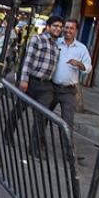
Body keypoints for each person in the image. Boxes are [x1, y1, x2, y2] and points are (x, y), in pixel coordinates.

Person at [6, 15, 63, 155]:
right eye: (55, 26)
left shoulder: (56, 47)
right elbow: (28, 61)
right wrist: (24, 80)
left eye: (60, 27)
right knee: (19, 109)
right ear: (48, 27)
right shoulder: (36, 40)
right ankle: (7, 135)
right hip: (31, 81)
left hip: (46, 86)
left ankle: (34, 148)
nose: (58, 29)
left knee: (41, 116)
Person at [49, 19, 91, 142]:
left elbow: (88, 67)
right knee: (44, 115)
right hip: (52, 87)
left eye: (71, 28)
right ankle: (38, 143)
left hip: (68, 91)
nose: (68, 30)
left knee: (68, 121)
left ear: (76, 31)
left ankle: (68, 151)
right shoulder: (56, 42)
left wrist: (80, 64)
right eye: (66, 27)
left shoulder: (81, 48)